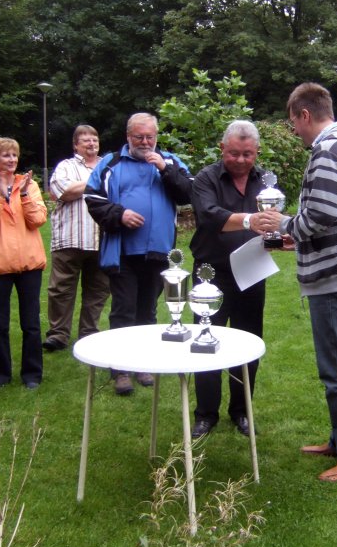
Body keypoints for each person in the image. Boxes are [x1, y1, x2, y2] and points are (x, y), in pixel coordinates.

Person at [265, 82, 337, 482]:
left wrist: (283, 224)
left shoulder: (328, 150)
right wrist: (295, 235)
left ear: (305, 114)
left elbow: (320, 216)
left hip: (334, 274)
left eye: (293, 122)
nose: (294, 130)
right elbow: (328, 215)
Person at [85, 112, 192, 396]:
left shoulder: (170, 161)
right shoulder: (111, 163)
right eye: (139, 137)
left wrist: (165, 170)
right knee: (123, 309)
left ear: (156, 137)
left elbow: (189, 193)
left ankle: (143, 363)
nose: (145, 142)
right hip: (122, 251)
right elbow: (91, 197)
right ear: (128, 137)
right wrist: (119, 214)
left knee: (148, 309)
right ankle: (120, 369)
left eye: (150, 137)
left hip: (159, 250)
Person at [188, 120, 277, 438]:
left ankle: (241, 411)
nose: (240, 160)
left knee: (248, 342)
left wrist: (277, 234)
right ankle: (205, 414)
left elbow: (273, 218)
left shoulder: (265, 181)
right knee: (206, 341)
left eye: (248, 154)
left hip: (252, 270)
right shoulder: (206, 178)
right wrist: (250, 220)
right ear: (222, 148)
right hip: (211, 273)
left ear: (257, 152)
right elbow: (209, 215)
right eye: (234, 153)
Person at [0, 137, 47, 389]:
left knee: (31, 323)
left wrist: (23, 194)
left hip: (29, 264)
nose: (12, 159)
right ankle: (0, 377)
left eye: (14, 155)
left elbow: (38, 219)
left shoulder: (29, 185)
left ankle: (32, 375)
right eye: (6, 155)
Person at [43, 125, 110, 352]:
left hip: (101, 239)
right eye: (86, 140)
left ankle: (88, 333)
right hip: (70, 238)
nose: (91, 144)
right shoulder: (66, 166)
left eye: (94, 139)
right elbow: (64, 192)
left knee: (98, 290)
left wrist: (89, 181)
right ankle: (58, 334)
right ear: (75, 145)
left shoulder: (108, 165)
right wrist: (98, 179)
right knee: (61, 290)